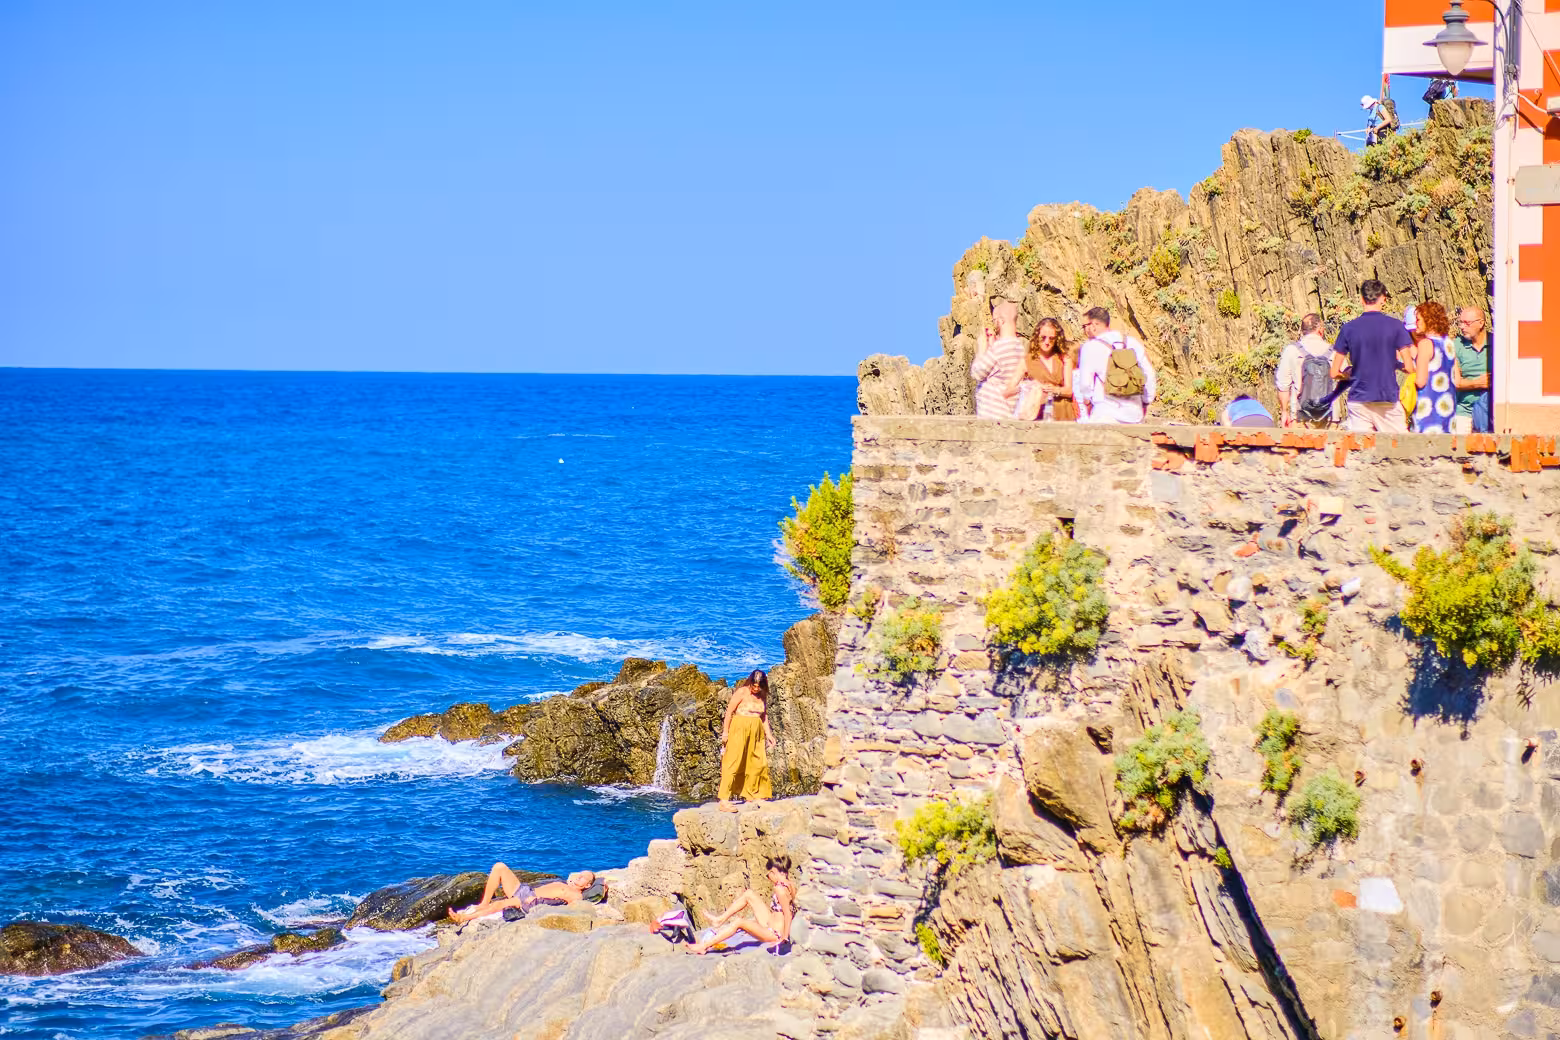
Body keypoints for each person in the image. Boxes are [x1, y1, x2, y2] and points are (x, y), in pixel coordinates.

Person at [1332, 279, 1412, 432]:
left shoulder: (1348, 328)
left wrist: (1346, 375)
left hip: (1358, 400)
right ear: (1383, 298)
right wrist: (1395, 364)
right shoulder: (1395, 326)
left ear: (1362, 299)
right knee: (1399, 450)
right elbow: (1409, 367)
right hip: (1387, 398)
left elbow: (1334, 372)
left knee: (1360, 451)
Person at [686, 856, 794, 955]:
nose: (768, 877)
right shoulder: (790, 885)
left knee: (739, 922)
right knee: (749, 894)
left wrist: (784, 939)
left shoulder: (779, 889)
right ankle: (720, 920)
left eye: (769, 874)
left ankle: (703, 946)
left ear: (774, 872)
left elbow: (788, 914)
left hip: (774, 933)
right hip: (770, 923)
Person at [1074, 307, 1156, 424]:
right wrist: (1146, 401)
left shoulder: (1090, 347)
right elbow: (1149, 374)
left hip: (1105, 414)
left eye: (1085, 326)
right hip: (1134, 415)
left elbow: (1086, 385)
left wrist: (1088, 402)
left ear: (1093, 325)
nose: (1084, 330)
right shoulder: (1132, 342)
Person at [447, 865, 599, 924]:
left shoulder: (576, 896)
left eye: (583, 877)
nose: (579, 876)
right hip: (527, 891)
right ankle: (483, 903)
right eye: (580, 873)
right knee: (499, 867)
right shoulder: (567, 885)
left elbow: (567, 909)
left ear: (587, 885)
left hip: (531, 902)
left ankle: (463, 918)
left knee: (500, 904)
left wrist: (538, 902)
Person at [717, 669, 772, 812]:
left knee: (758, 762)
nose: (755, 688)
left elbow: (764, 717)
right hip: (739, 729)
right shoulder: (741, 692)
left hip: (756, 731)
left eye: (758, 686)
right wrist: (725, 732)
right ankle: (724, 800)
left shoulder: (762, 695)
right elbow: (729, 712)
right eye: (753, 685)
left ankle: (752, 794)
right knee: (732, 762)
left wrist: (769, 735)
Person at [1275, 313, 1339, 426]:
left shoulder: (1292, 351)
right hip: (1330, 418)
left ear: (1302, 331)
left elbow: (1283, 386)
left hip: (1300, 418)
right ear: (1321, 329)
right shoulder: (1335, 352)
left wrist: (1284, 411)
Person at [1007, 317, 1076, 421]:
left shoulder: (1064, 359)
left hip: (1063, 413)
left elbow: (1069, 390)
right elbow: (1008, 390)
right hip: (1037, 415)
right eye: (1043, 338)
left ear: (1057, 339)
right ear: (1036, 337)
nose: (1047, 342)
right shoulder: (1026, 361)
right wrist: (1030, 387)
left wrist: (1055, 390)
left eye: (1051, 338)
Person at [969, 300, 1027, 419]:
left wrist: (982, 348)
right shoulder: (1020, 348)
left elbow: (977, 373)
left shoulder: (1000, 347)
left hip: (994, 416)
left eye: (994, 320)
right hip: (1008, 413)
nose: (994, 324)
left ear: (1001, 321)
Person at [1409, 301, 1456, 433]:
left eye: (1418, 319)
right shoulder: (1449, 343)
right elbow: (1456, 379)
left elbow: (1420, 381)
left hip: (1427, 411)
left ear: (1428, 320)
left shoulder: (1425, 344)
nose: (1416, 323)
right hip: (1447, 411)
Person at [1450, 306, 1492, 434]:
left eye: (1467, 323)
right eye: (1460, 323)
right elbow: (1456, 382)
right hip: (1464, 412)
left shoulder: (1497, 343)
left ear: (1481, 323)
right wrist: (1477, 383)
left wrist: (1465, 382)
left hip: (1491, 411)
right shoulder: (1456, 345)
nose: (1462, 327)